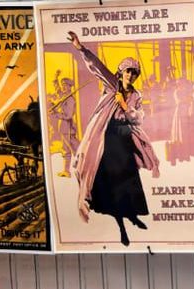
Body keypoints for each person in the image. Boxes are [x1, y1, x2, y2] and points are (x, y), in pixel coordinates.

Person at [67, 31, 160, 247]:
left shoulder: (136, 96)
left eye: (134, 73)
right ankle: (121, 227)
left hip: (124, 140)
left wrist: (125, 105)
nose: (131, 76)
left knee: (129, 180)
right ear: (120, 73)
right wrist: (81, 48)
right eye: (128, 72)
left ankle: (133, 215)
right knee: (113, 183)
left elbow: (137, 119)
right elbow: (97, 67)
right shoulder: (111, 84)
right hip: (107, 140)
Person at [49, 72, 79, 178]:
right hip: (63, 127)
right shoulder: (64, 96)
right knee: (75, 149)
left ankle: (74, 170)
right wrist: (55, 77)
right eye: (63, 85)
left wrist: (56, 114)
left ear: (70, 87)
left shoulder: (70, 99)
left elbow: (68, 115)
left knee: (72, 149)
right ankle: (68, 171)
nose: (63, 87)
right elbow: (57, 90)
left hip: (68, 127)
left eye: (65, 85)